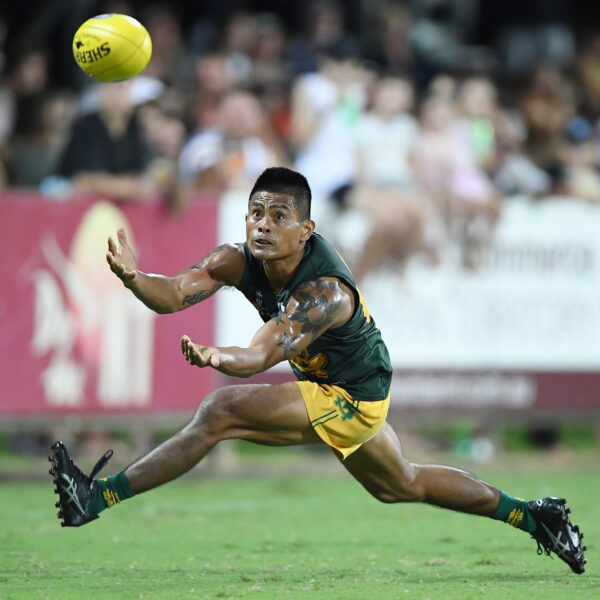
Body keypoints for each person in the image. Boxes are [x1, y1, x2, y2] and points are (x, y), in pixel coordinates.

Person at [49, 167, 586, 575]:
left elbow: (261, 355)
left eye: (278, 216)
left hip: (356, 395)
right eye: (256, 213)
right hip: (327, 386)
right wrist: (133, 277)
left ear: (306, 228)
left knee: (220, 411)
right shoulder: (237, 258)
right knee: (402, 484)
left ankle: (96, 497)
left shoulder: (323, 292)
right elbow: (171, 294)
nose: (263, 225)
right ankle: (535, 516)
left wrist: (220, 358)